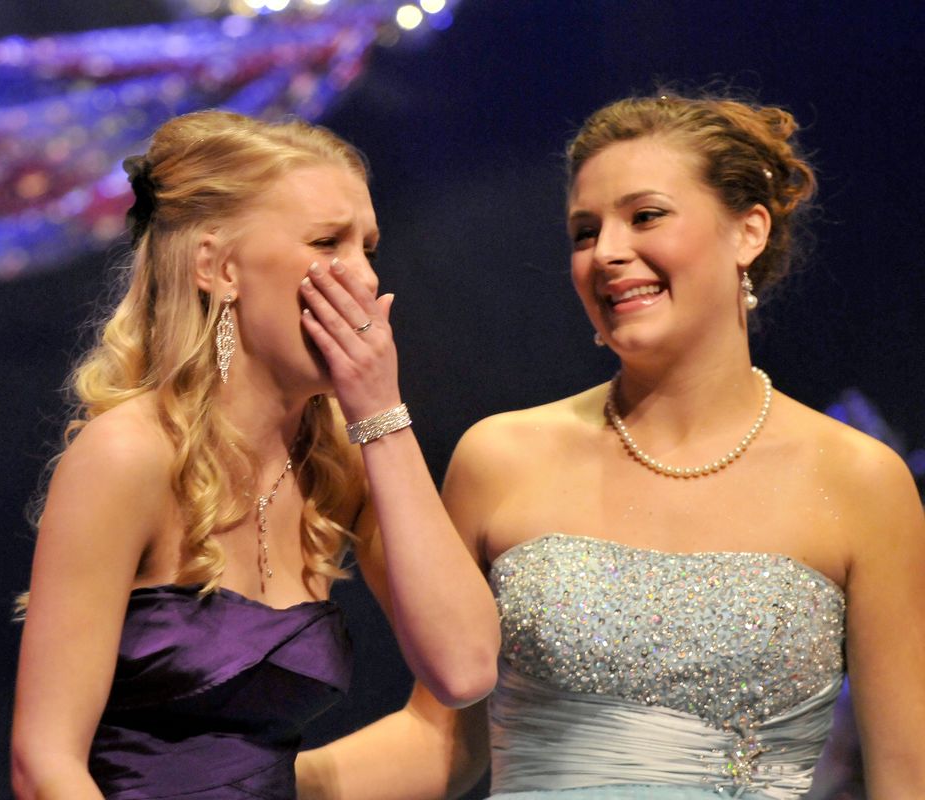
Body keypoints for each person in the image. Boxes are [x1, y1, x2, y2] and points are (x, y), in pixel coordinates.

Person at [297, 92, 925, 799]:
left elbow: (905, 777)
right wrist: (236, 781)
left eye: (645, 216)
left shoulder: (861, 481)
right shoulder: (500, 458)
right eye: (584, 232)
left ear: (748, 231)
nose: (609, 253)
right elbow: (440, 740)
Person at [10, 110, 499, 799]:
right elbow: (44, 762)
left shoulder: (339, 463)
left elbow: (467, 669)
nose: (362, 278)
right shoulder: (129, 455)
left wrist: (381, 419)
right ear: (219, 267)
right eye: (328, 242)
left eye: (370, 248)